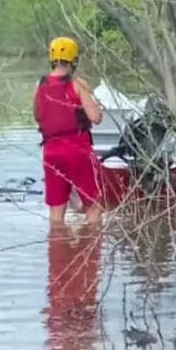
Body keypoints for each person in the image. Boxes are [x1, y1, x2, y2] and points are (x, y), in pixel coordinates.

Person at [34, 36, 104, 225]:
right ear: (74, 60)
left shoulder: (39, 86)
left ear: (52, 58)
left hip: (51, 152)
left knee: (56, 211)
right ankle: (92, 249)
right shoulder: (78, 84)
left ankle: (57, 251)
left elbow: (38, 116)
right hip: (78, 150)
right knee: (93, 206)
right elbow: (95, 118)